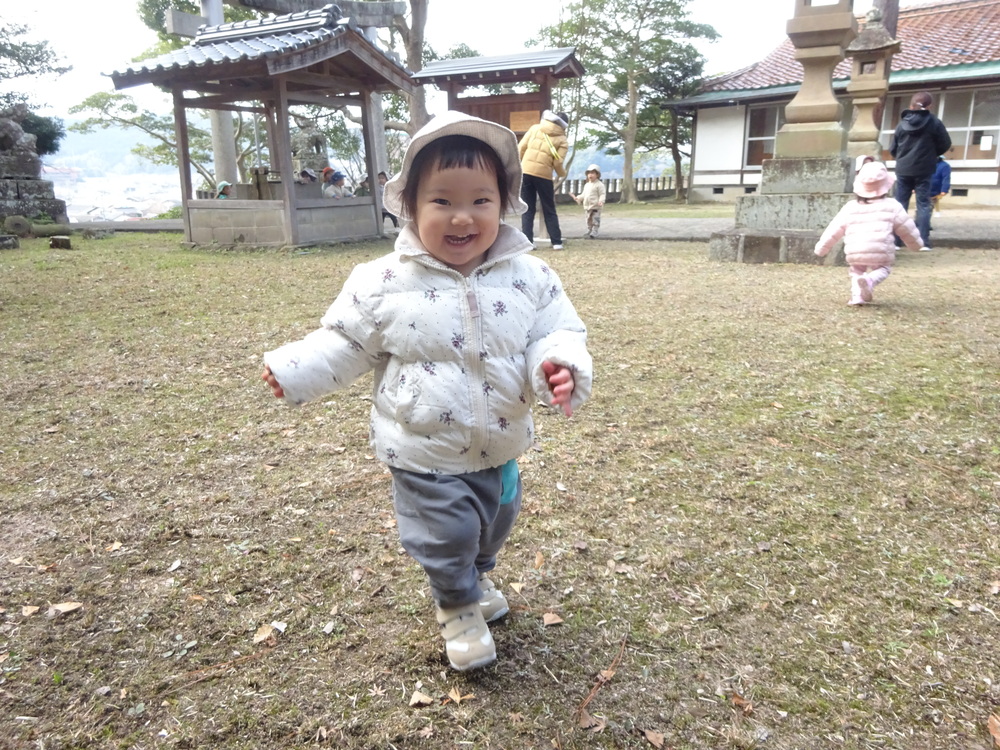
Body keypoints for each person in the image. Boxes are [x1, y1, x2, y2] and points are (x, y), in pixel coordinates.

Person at [261, 111, 592, 672]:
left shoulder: (530, 276)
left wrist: (558, 363)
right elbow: (344, 343)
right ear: (410, 206)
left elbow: (555, 331)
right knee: (449, 533)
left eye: (480, 201)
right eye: (442, 201)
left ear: (505, 203)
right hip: (424, 448)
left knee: (494, 523)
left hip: (502, 441)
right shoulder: (381, 281)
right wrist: (295, 368)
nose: (462, 216)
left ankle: (474, 575)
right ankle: (457, 604)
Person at [814, 161, 924, 306]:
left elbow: (834, 229)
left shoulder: (850, 207)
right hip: (880, 250)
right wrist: (916, 245)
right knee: (883, 268)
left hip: (855, 250)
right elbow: (907, 228)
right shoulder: (892, 206)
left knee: (856, 271)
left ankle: (856, 297)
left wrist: (822, 248)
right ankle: (870, 280)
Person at [889, 92, 951, 250]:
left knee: (900, 205)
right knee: (923, 204)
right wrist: (931, 154)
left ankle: (896, 241)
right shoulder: (934, 123)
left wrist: (902, 158)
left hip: (903, 168)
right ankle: (923, 242)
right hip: (925, 168)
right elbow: (945, 144)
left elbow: (893, 148)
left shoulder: (902, 123)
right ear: (930, 106)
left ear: (911, 104)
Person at [518, 109, 569, 250]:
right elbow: (558, 163)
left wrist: (521, 164)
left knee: (528, 208)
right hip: (544, 175)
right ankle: (556, 242)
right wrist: (561, 173)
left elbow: (521, 147)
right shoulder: (562, 140)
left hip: (526, 172)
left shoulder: (535, 128)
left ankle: (528, 242)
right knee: (548, 208)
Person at [572, 164, 606, 239]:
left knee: (595, 219)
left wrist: (601, 201)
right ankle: (589, 230)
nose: (590, 175)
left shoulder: (599, 185)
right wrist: (578, 198)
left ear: (597, 175)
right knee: (588, 219)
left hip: (596, 206)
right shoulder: (587, 185)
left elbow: (602, 194)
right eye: (589, 173)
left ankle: (595, 231)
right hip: (587, 206)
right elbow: (584, 194)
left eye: (593, 173)